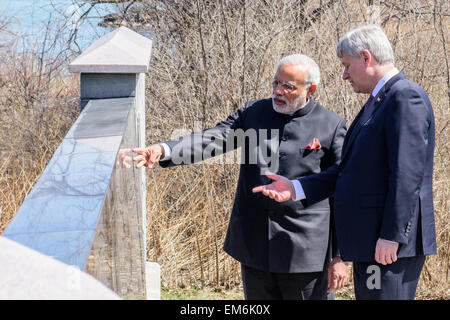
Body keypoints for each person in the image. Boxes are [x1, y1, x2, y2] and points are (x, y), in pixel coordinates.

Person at [132, 54, 349, 300]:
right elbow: (214, 138)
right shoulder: (254, 112)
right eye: (275, 83)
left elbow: (342, 186)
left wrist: (341, 255)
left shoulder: (331, 125)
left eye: (288, 86)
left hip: (305, 254)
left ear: (311, 89)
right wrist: (164, 150)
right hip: (254, 246)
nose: (278, 91)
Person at [253, 25, 437, 300]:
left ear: (366, 57)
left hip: (387, 248)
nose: (344, 75)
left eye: (347, 66)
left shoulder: (404, 97)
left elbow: (407, 174)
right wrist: (296, 188)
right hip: (372, 244)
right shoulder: (378, 102)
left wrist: (391, 235)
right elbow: (350, 172)